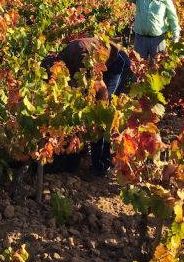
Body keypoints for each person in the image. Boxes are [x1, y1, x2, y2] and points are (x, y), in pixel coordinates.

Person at [41, 38, 135, 177]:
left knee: (102, 114)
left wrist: (97, 114)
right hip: (100, 64)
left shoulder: (80, 59)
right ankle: (89, 149)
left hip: (116, 62)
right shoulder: (62, 66)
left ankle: (101, 166)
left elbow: (102, 91)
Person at [116, 0, 180, 59]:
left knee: (158, 68)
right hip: (140, 40)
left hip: (158, 40)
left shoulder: (166, 1)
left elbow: (173, 19)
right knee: (138, 66)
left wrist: (176, 35)